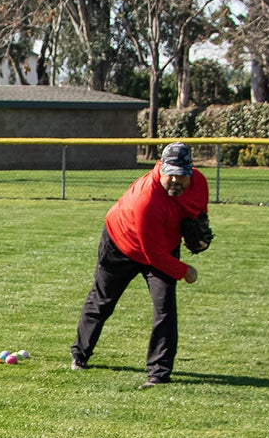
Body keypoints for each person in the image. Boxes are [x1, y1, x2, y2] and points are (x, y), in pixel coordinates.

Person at [71, 141, 209, 388]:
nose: (176, 181)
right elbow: (153, 254)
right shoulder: (146, 198)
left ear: (191, 172)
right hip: (122, 244)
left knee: (165, 308)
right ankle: (80, 355)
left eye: (181, 175)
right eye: (171, 175)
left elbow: (198, 211)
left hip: (163, 245)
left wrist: (197, 231)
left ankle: (158, 373)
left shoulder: (199, 184)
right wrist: (185, 271)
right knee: (103, 301)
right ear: (161, 169)